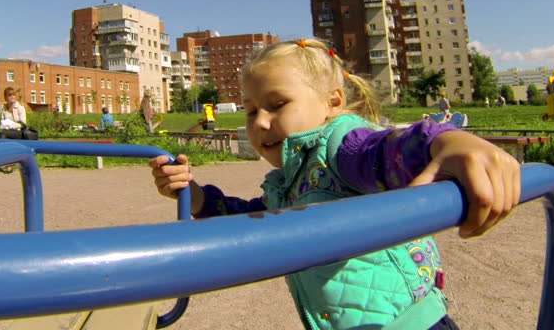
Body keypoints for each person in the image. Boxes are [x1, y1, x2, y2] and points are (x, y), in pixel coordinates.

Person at [149, 38, 520, 330]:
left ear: (333, 101)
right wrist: (195, 197)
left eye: (277, 104)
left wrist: (449, 141)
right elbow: (255, 220)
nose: (260, 122)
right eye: (250, 110)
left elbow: (391, 151)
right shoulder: (288, 179)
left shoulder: (343, 146)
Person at [0, 87, 27, 174]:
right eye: (9, 95)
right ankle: (7, 162)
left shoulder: (20, 108)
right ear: (6, 97)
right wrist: (3, 124)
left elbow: (23, 123)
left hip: (18, 131)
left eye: (13, 95)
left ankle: (8, 164)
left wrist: (12, 125)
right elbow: (1, 121)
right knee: (0, 134)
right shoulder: (4, 108)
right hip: (6, 130)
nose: (12, 97)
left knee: (2, 136)